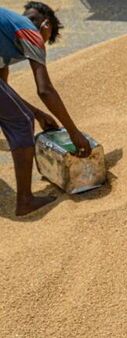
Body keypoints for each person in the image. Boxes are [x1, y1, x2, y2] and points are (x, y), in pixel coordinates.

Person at [0, 2, 91, 216]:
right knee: (22, 123)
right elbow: (45, 90)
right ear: (46, 26)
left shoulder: (6, 28)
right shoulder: (31, 32)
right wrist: (73, 133)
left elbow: (5, 95)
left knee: (16, 116)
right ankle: (25, 200)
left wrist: (39, 114)